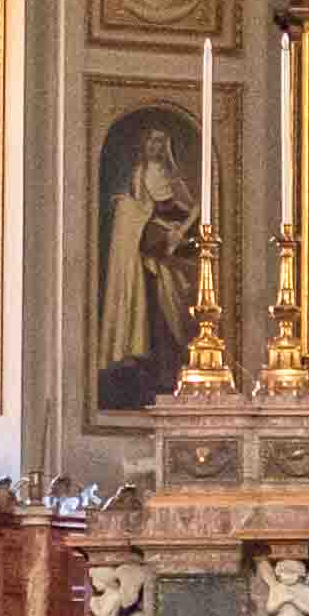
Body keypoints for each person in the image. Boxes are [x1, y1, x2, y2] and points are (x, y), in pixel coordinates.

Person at [94, 125, 197, 412]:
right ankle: (144, 378)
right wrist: (144, 221)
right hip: (146, 265)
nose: (156, 146)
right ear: (144, 144)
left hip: (168, 262)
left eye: (161, 141)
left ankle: (169, 378)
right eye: (152, 140)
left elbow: (187, 211)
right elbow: (137, 213)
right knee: (147, 319)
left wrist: (179, 229)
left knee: (167, 324)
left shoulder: (173, 178)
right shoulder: (138, 176)